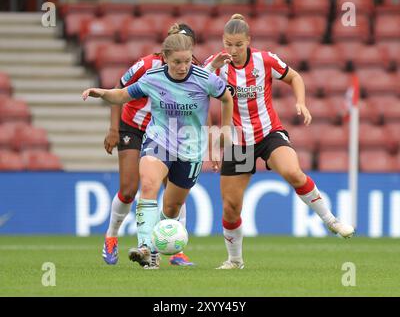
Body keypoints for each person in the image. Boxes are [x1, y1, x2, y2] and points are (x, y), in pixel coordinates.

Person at [204, 14, 355, 270]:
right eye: (228, 44)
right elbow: (196, 92)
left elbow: (295, 77)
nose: (233, 50)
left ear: (248, 41)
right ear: (223, 41)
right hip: (239, 141)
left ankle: (331, 221)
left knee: (293, 173)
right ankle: (235, 260)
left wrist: (300, 102)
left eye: (239, 45)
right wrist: (211, 144)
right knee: (231, 207)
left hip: (268, 133)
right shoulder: (215, 65)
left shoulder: (265, 60)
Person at [83, 33, 234, 269]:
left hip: (190, 148)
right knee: (149, 185)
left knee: (172, 208)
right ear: (165, 58)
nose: (183, 67)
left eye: (187, 61)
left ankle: (155, 247)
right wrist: (102, 93)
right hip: (158, 140)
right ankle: (145, 247)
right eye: (177, 62)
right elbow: (123, 94)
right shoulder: (152, 78)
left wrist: (225, 130)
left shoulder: (205, 79)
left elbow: (226, 97)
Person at [101, 23, 200, 267]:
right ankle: (111, 237)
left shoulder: (192, 69)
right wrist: (113, 129)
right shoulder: (146, 65)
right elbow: (118, 89)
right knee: (128, 188)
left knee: (174, 190)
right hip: (134, 127)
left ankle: (175, 250)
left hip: (168, 133)